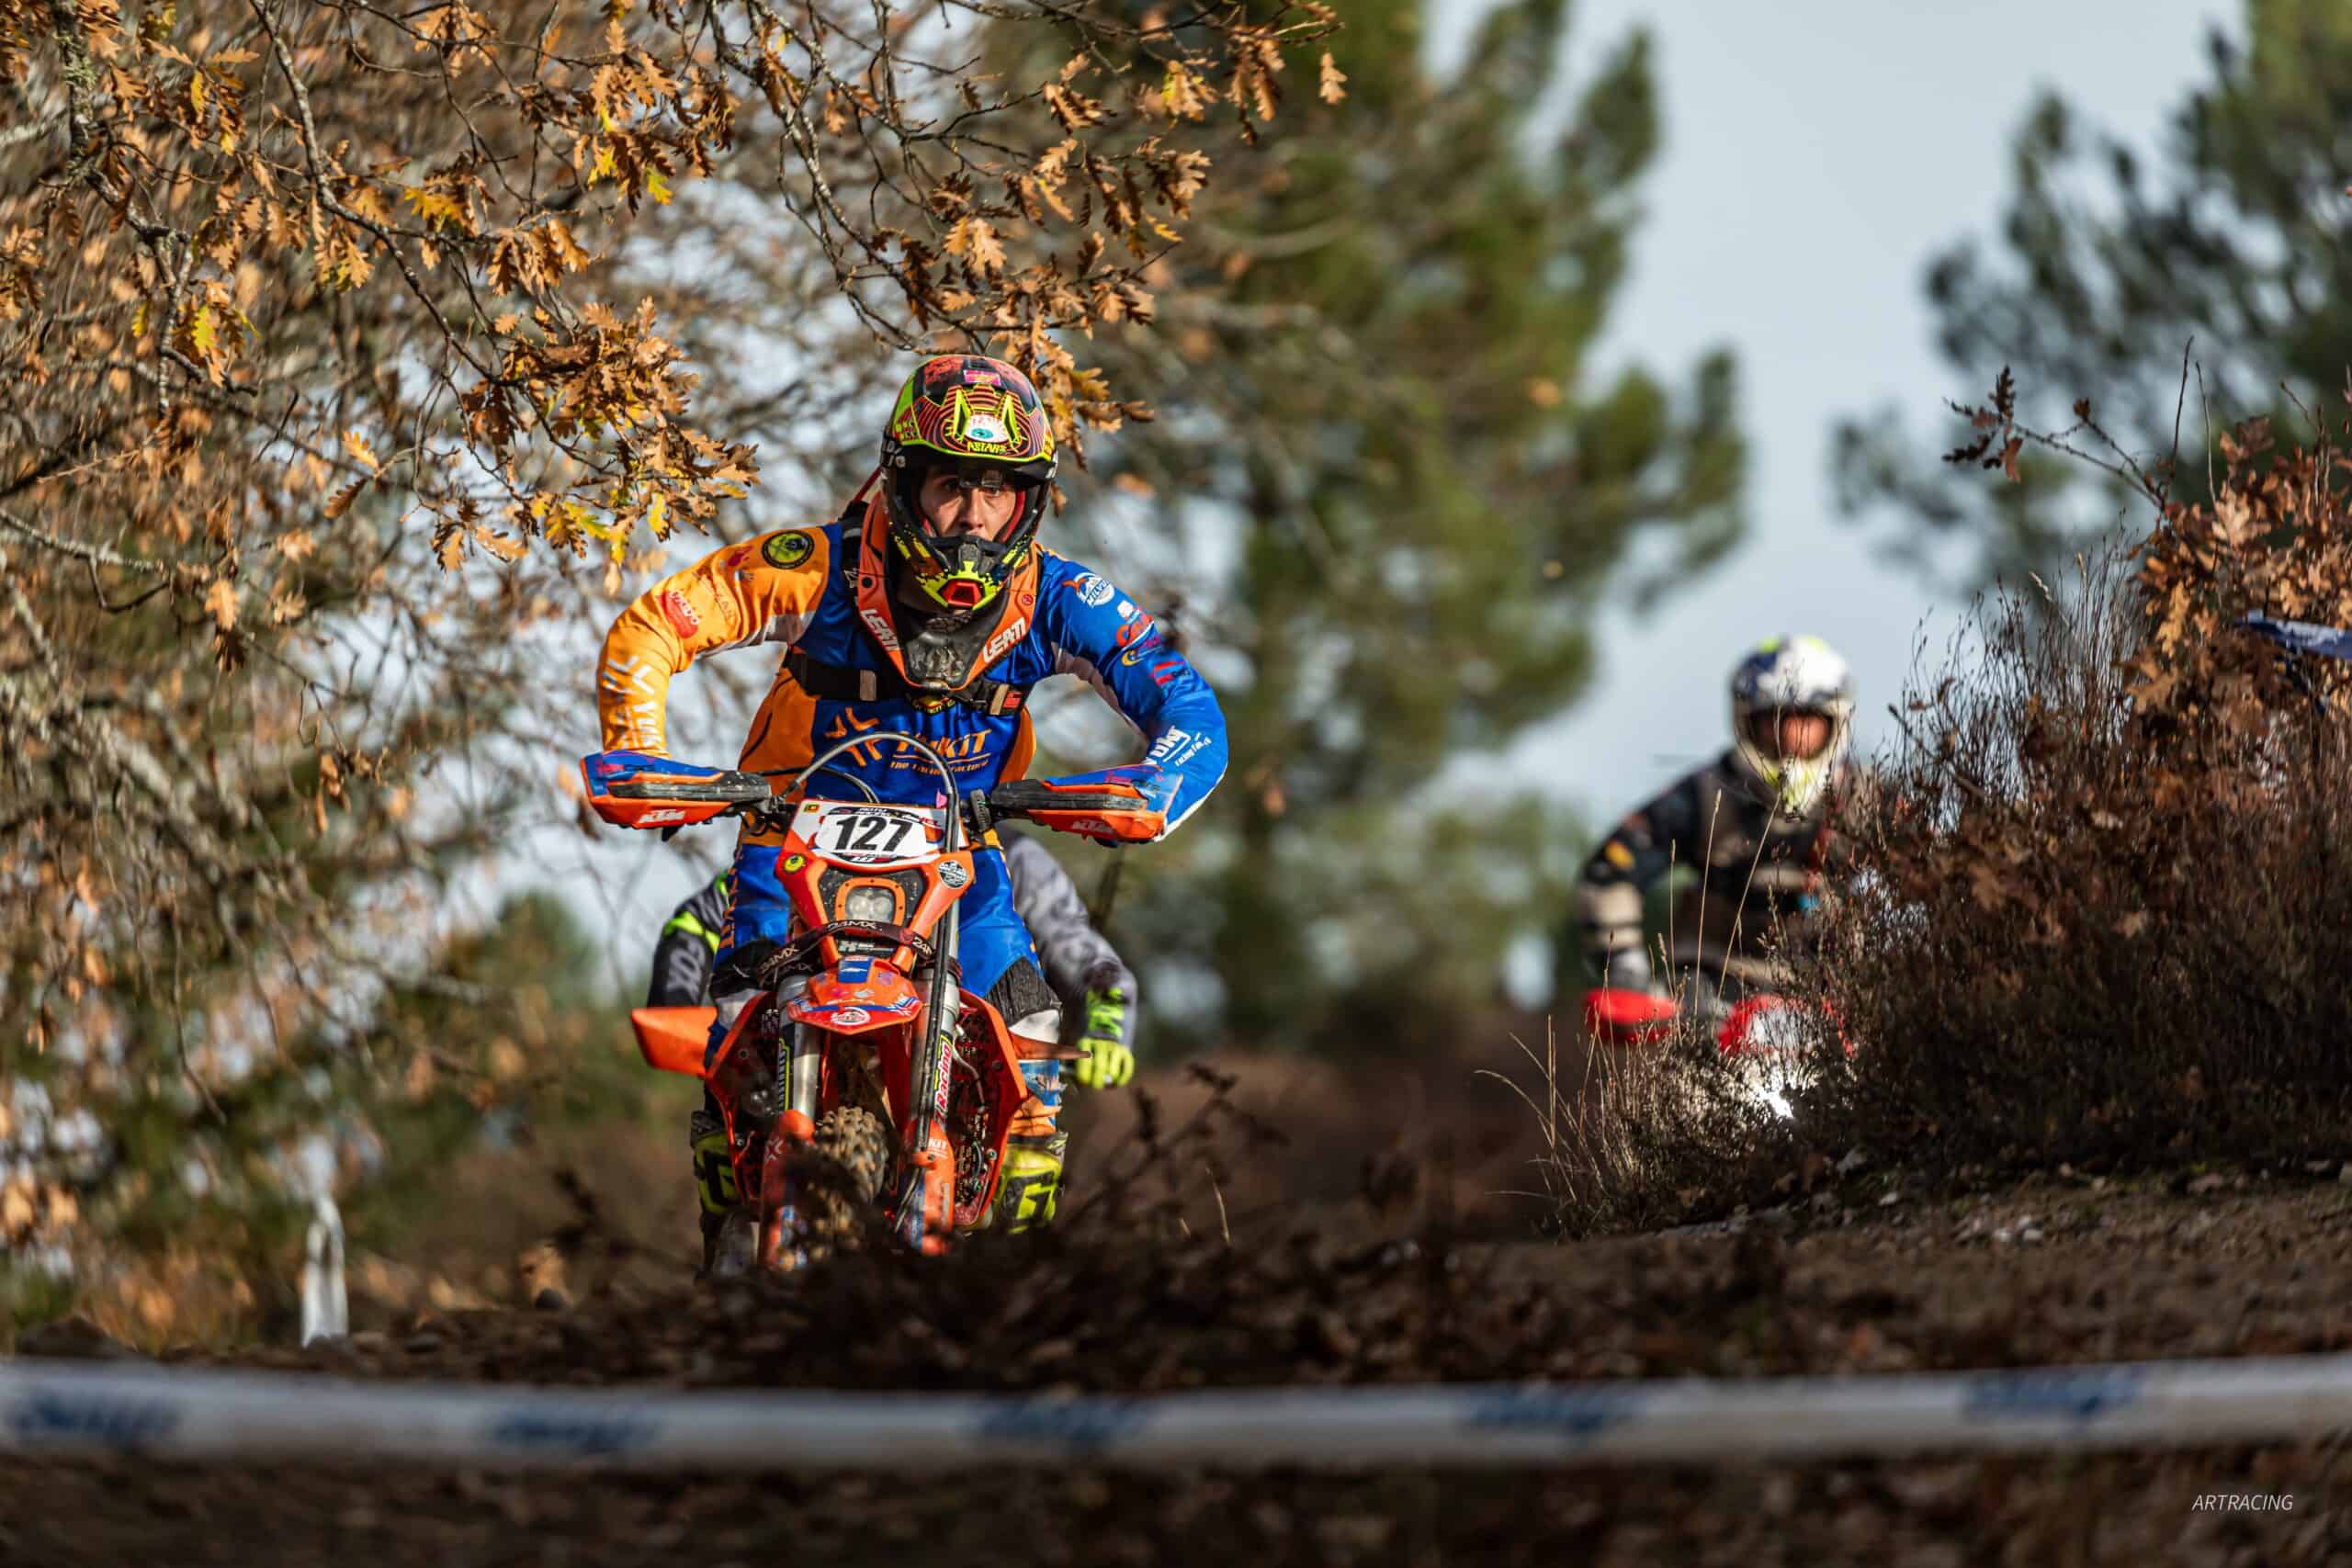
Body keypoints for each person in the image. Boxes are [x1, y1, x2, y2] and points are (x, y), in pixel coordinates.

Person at [589, 354, 1223, 1269]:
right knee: (735, 1028)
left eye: (998, 494)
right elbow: (656, 624)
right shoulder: (816, 569)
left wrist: (1151, 787)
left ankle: (1003, 1297)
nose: (973, 520)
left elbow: (1187, 704)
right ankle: (733, 1232)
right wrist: (637, 750)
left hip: (959, 856)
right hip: (791, 842)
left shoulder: (1056, 596)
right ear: (901, 483)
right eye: (951, 488)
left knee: (1031, 1053)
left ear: (1030, 503)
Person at [646, 845, 1139, 1085]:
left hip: (965, 1062)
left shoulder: (1012, 859)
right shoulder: (806, 853)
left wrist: (1110, 1024)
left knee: (1028, 1157)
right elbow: (695, 922)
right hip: (809, 1051)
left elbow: (1077, 945)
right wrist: (674, 1007)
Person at [1571, 635, 1862, 1009]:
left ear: (1835, 724)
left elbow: (1938, 881)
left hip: (1836, 1012)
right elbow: (1609, 873)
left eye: (1807, 723)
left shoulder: (1866, 800)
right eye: (1775, 722)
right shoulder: (1702, 795)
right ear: (1746, 723)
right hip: (1707, 1010)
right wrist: (1628, 970)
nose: (1792, 737)